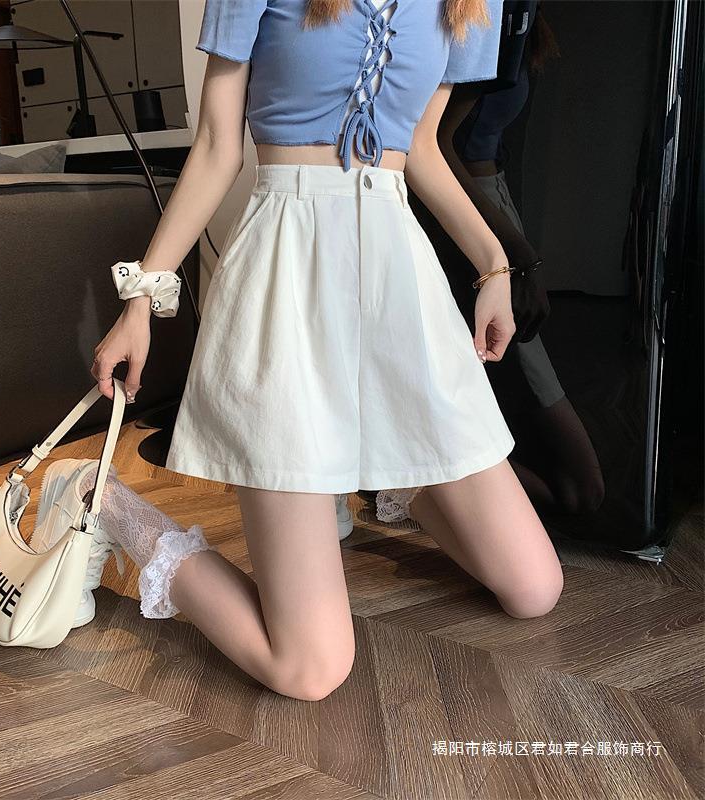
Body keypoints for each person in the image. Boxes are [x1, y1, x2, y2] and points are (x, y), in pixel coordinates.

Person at [82, 0, 564, 702]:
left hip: (398, 283)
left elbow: (423, 149)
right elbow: (218, 146)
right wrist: (141, 300)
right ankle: (101, 501)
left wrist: (494, 265)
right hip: (286, 275)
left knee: (534, 588)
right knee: (309, 669)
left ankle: (381, 465)